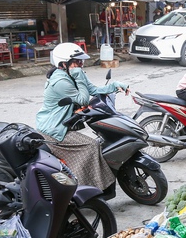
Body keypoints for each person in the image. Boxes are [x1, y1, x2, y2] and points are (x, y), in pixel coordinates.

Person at [36, 43, 126, 192]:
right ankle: (88, 188)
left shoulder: (72, 73)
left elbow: (93, 90)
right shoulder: (60, 81)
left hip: (64, 123)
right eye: (77, 62)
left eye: (81, 61)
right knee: (91, 146)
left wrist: (115, 85)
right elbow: (83, 99)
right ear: (64, 63)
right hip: (53, 129)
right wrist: (79, 75)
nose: (80, 64)